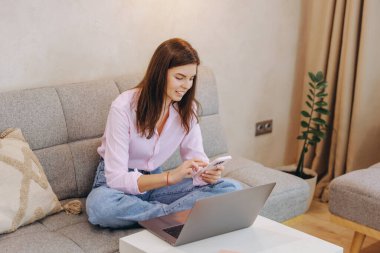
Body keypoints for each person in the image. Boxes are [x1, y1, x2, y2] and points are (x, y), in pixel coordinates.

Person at [86, 38, 242, 228]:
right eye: (180, 77)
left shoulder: (187, 110)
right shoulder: (123, 107)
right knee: (100, 207)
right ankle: (170, 216)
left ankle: (150, 215)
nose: (187, 85)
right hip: (117, 186)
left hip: (157, 186)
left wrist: (205, 174)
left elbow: (197, 160)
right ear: (160, 73)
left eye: (191, 78)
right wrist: (169, 177)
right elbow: (116, 178)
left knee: (231, 188)